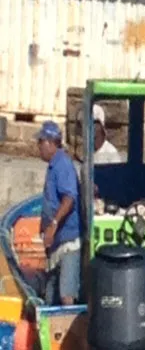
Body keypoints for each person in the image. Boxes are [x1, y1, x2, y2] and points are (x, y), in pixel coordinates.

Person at [36, 121, 81, 305]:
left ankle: (72, 323)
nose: (38, 146)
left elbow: (69, 198)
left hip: (67, 240)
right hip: (56, 243)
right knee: (50, 295)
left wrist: (53, 226)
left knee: (66, 294)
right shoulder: (53, 165)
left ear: (50, 142)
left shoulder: (62, 165)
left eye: (40, 142)